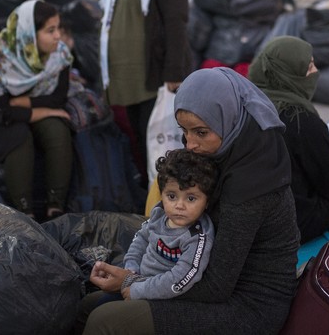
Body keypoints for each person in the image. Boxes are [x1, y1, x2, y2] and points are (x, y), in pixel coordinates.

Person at [81, 67, 299, 335]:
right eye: (185, 131)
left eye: (201, 132)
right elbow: (160, 222)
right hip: (195, 277)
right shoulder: (220, 155)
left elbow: (217, 286)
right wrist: (132, 277)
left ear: (229, 121)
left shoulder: (251, 184)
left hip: (248, 308)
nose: (191, 143)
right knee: (89, 305)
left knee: (106, 321)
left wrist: (133, 283)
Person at [99, 0, 193, 184]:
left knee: (157, 141)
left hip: (152, 74)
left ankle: (166, 199)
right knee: (141, 138)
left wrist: (174, 71)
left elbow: (176, 21)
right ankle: (149, 197)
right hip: (128, 76)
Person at [248, 35, 329, 243]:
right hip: (293, 222)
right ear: (289, 75)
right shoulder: (298, 120)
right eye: (309, 66)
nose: (315, 72)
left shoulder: (250, 105)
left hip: (253, 216)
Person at [78, 148, 218, 325]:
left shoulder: (198, 237)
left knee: (102, 317)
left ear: (206, 202)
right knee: (87, 305)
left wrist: (138, 290)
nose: (179, 205)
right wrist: (130, 268)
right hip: (137, 283)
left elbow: (180, 279)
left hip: (163, 298)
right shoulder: (160, 214)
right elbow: (140, 239)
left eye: (191, 198)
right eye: (172, 196)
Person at [0, 0, 74, 218]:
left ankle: (56, 208)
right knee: (19, 138)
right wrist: (44, 111)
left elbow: (58, 98)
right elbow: (1, 112)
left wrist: (27, 103)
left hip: (29, 105)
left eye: (58, 28)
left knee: (58, 130)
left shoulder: (59, 54)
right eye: (50, 30)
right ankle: (24, 213)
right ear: (29, 34)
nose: (58, 36)